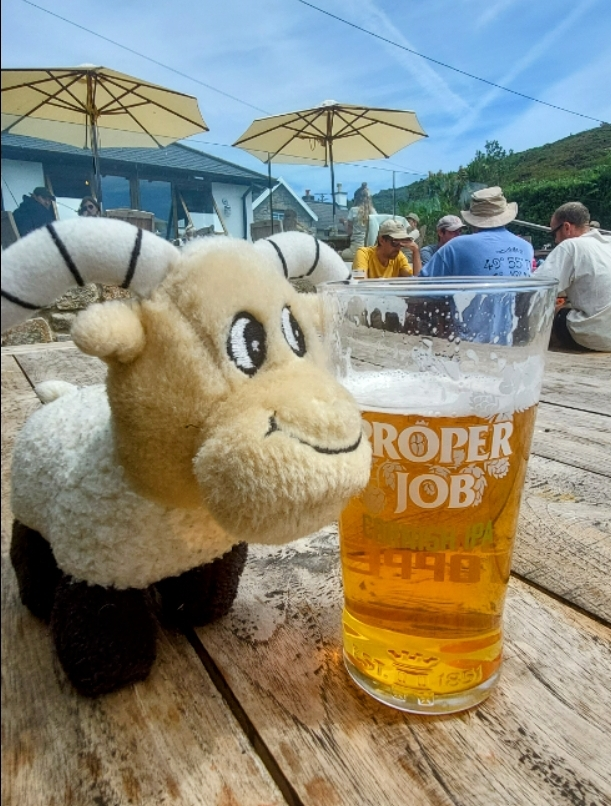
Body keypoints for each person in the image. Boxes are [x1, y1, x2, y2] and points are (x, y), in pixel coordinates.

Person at [533, 202, 611, 352]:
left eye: (554, 233)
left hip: (599, 336)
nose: (555, 240)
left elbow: (536, 290)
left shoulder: (570, 246)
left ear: (567, 227)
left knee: (550, 312)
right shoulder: (607, 243)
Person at [420, 186, 532, 278]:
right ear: (505, 216)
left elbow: (424, 285)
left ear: (472, 221)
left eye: (459, 231)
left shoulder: (455, 246)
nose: (458, 234)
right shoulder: (526, 247)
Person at [353, 219, 420, 278]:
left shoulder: (399, 257)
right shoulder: (363, 254)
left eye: (402, 243)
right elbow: (359, 283)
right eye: (395, 242)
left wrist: (415, 251)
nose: (398, 247)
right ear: (381, 240)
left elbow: (417, 281)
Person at [340, 183, 377, 261]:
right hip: (371, 250)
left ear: (356, 199)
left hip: (357, 250)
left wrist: (344, 223)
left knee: (337, 254)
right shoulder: (374, 212)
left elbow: (349, 232)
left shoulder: (353, 210)